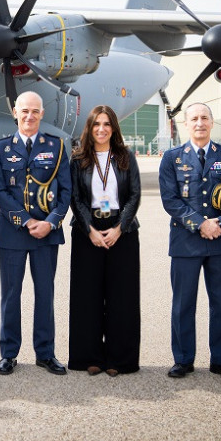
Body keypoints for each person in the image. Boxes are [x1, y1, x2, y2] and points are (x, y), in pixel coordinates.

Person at [159, 103, 221, 383]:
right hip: (185, 243)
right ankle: (183, 359)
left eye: (204, 118)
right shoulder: (173, 158)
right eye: (194, 119)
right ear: (186, 124)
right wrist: (201, 223)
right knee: (183, 304)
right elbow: (170, 200)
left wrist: (220, 224)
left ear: (212, 123)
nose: (199, 122)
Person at [0, 91, 71, 376]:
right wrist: (25, 221)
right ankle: (9, 353)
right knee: (11, 295)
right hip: (13, 233)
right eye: (24, 111)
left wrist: (50, 222)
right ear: (15, 113)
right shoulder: (1, 149)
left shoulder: (57, 146)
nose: (29, 116)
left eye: (35, 111)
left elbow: (65, 191)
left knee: (45, 294)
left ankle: (45, 353)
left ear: (41, 114)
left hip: (47, 234)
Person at [68, 105, 141, 376]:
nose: (102, 129)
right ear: (90, 127)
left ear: (114, 128)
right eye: (97, 124)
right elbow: (75, 198)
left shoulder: (125, 157)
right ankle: (89, 357)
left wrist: (120, 227)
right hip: (88, 231)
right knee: (87, 297)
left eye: (107, 124)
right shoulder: (78, 159)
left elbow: (134, 194)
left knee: (122, 298)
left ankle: (119, 360)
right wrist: (90, 229)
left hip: (122, 230)